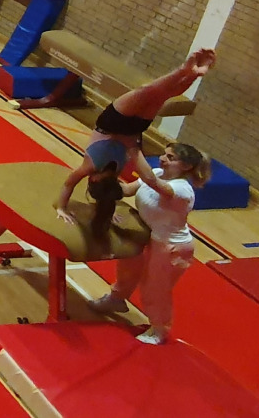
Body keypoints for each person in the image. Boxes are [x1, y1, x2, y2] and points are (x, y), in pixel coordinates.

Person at [54, 50, 216, 232]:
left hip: (113, 124)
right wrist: (104, 212)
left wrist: (62, 208)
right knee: (156, 94)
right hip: (127, 128)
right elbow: (80, 187)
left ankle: (189, 71)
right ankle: (191, 72)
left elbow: (71, 184)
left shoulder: (92, 166)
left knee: (153, 93)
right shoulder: (107, 171)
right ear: (94, 180)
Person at [84, 143, 212, 345]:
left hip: (171, 247)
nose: (163, 159)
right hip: (148, 235)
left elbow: (152, 182)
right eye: (164, 154)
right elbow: (127, 190)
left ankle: (159, 330)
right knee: (128, 266)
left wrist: (134, 150)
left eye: (171, 158)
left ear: (186, 166)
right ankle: (116, 299)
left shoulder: (182, 190)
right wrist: (105, 180)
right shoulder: (158, 172)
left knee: (155, 288)